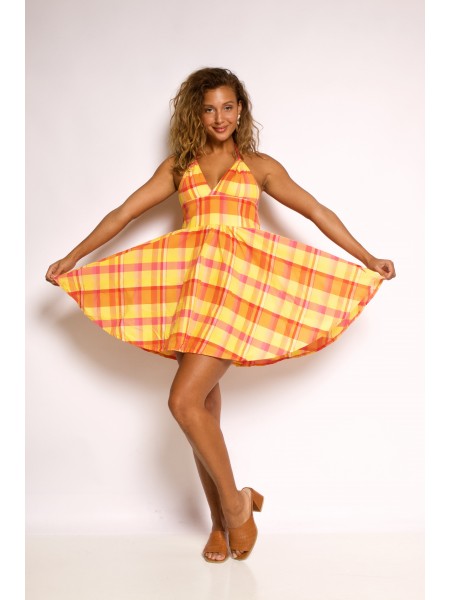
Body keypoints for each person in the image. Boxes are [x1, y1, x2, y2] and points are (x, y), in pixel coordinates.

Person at [45, 67, 396, 563]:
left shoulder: (258, 166)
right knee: (202, 412)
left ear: (241, 110)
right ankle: (220, 523)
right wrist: (72, 257)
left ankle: (235, 508)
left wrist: (367, 256)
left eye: (228, 107)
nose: (219, 118)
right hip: (193, 294)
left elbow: (316, 210)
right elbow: (124, 213)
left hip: (238, 295)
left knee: (182, 400)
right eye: (209, 108)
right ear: (196, 113)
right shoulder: (179, 166)